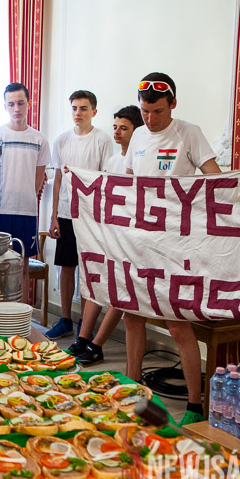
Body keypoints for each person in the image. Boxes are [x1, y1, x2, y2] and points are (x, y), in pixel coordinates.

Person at [122, 72, 240, 424]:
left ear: (173, 104)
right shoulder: (138, 135)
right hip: (139, 241)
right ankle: (134, 392)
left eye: (157, 111)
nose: (150, 119)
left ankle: (195, 405)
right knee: (132, 316)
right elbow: (127, 185)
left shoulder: (188, 133)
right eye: (145, 111)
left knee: (177, 324)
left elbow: (215, 179)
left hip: (174, 244)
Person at [66, 105, 144, 365]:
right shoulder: (112, 161)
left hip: (132, 234)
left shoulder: (140, 159)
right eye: (115, 127)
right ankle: (82, 338)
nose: (117, 132)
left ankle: (97, 344)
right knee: (98, 283)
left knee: (121, 289)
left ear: (136, 131)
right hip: (111, 231)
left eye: (124, 128)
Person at [46, 90, 112, 339]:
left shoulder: (102, 140)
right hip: (66, 213)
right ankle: (65, 319)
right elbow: (57, 179)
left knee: (87, 269)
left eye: (83, 108)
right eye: (74, 108)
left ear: (93, 111)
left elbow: (106, 180)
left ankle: (86, 324)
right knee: (66, 266)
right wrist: (53, 215)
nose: (78, 113)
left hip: (91, 215)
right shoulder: (61, 141)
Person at [0, 82, 50, 298]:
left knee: (21, 268)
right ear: (5, 106)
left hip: (26, 213)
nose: (16, 108)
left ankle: (21, 313)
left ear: (29, 104)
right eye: (11, 104)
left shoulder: (39, 139)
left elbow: (38, 179)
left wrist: (25, 198)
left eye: (21, 103)